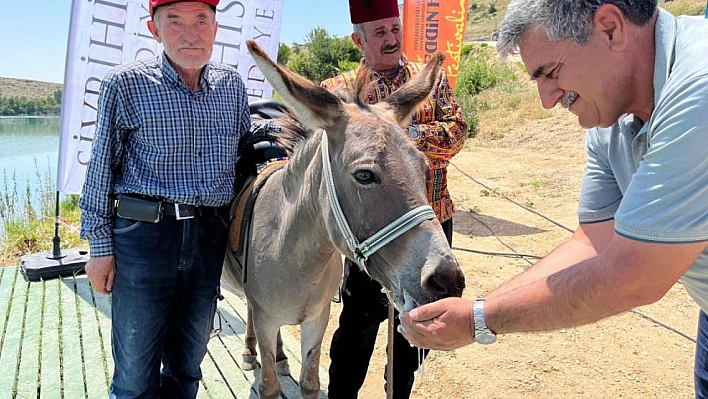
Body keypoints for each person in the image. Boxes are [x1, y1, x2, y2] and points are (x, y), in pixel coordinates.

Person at [399, 0, 708, 396]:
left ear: (610, 29)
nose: (547, 99)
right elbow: (594, 239)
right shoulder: (608, 112)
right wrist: (479, 308)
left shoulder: (698, 86)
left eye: (552, 73)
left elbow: (635, 274)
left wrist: (480, 318)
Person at [78, 0, 250, 397]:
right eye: (175, 22)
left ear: (215, 28)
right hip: (143, 238)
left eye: (200, 21)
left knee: (187, 367)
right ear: (154, 30)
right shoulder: (126, 84)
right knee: (136, 377)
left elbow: (244, 159)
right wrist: (100, 248)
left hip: (209, 238)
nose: (190, 34)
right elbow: (101, 169)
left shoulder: (231, 86)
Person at [320, 1, 468, 397]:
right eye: (380, 32)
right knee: (359, 321)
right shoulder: (340, 91)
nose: (391, 38)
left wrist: (402, 141)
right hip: (373, 230)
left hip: (431, 216)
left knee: (420, 320)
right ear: (359, 39)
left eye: (394, 28)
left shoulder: (429, 80)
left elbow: (456, 130)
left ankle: (398, 392)